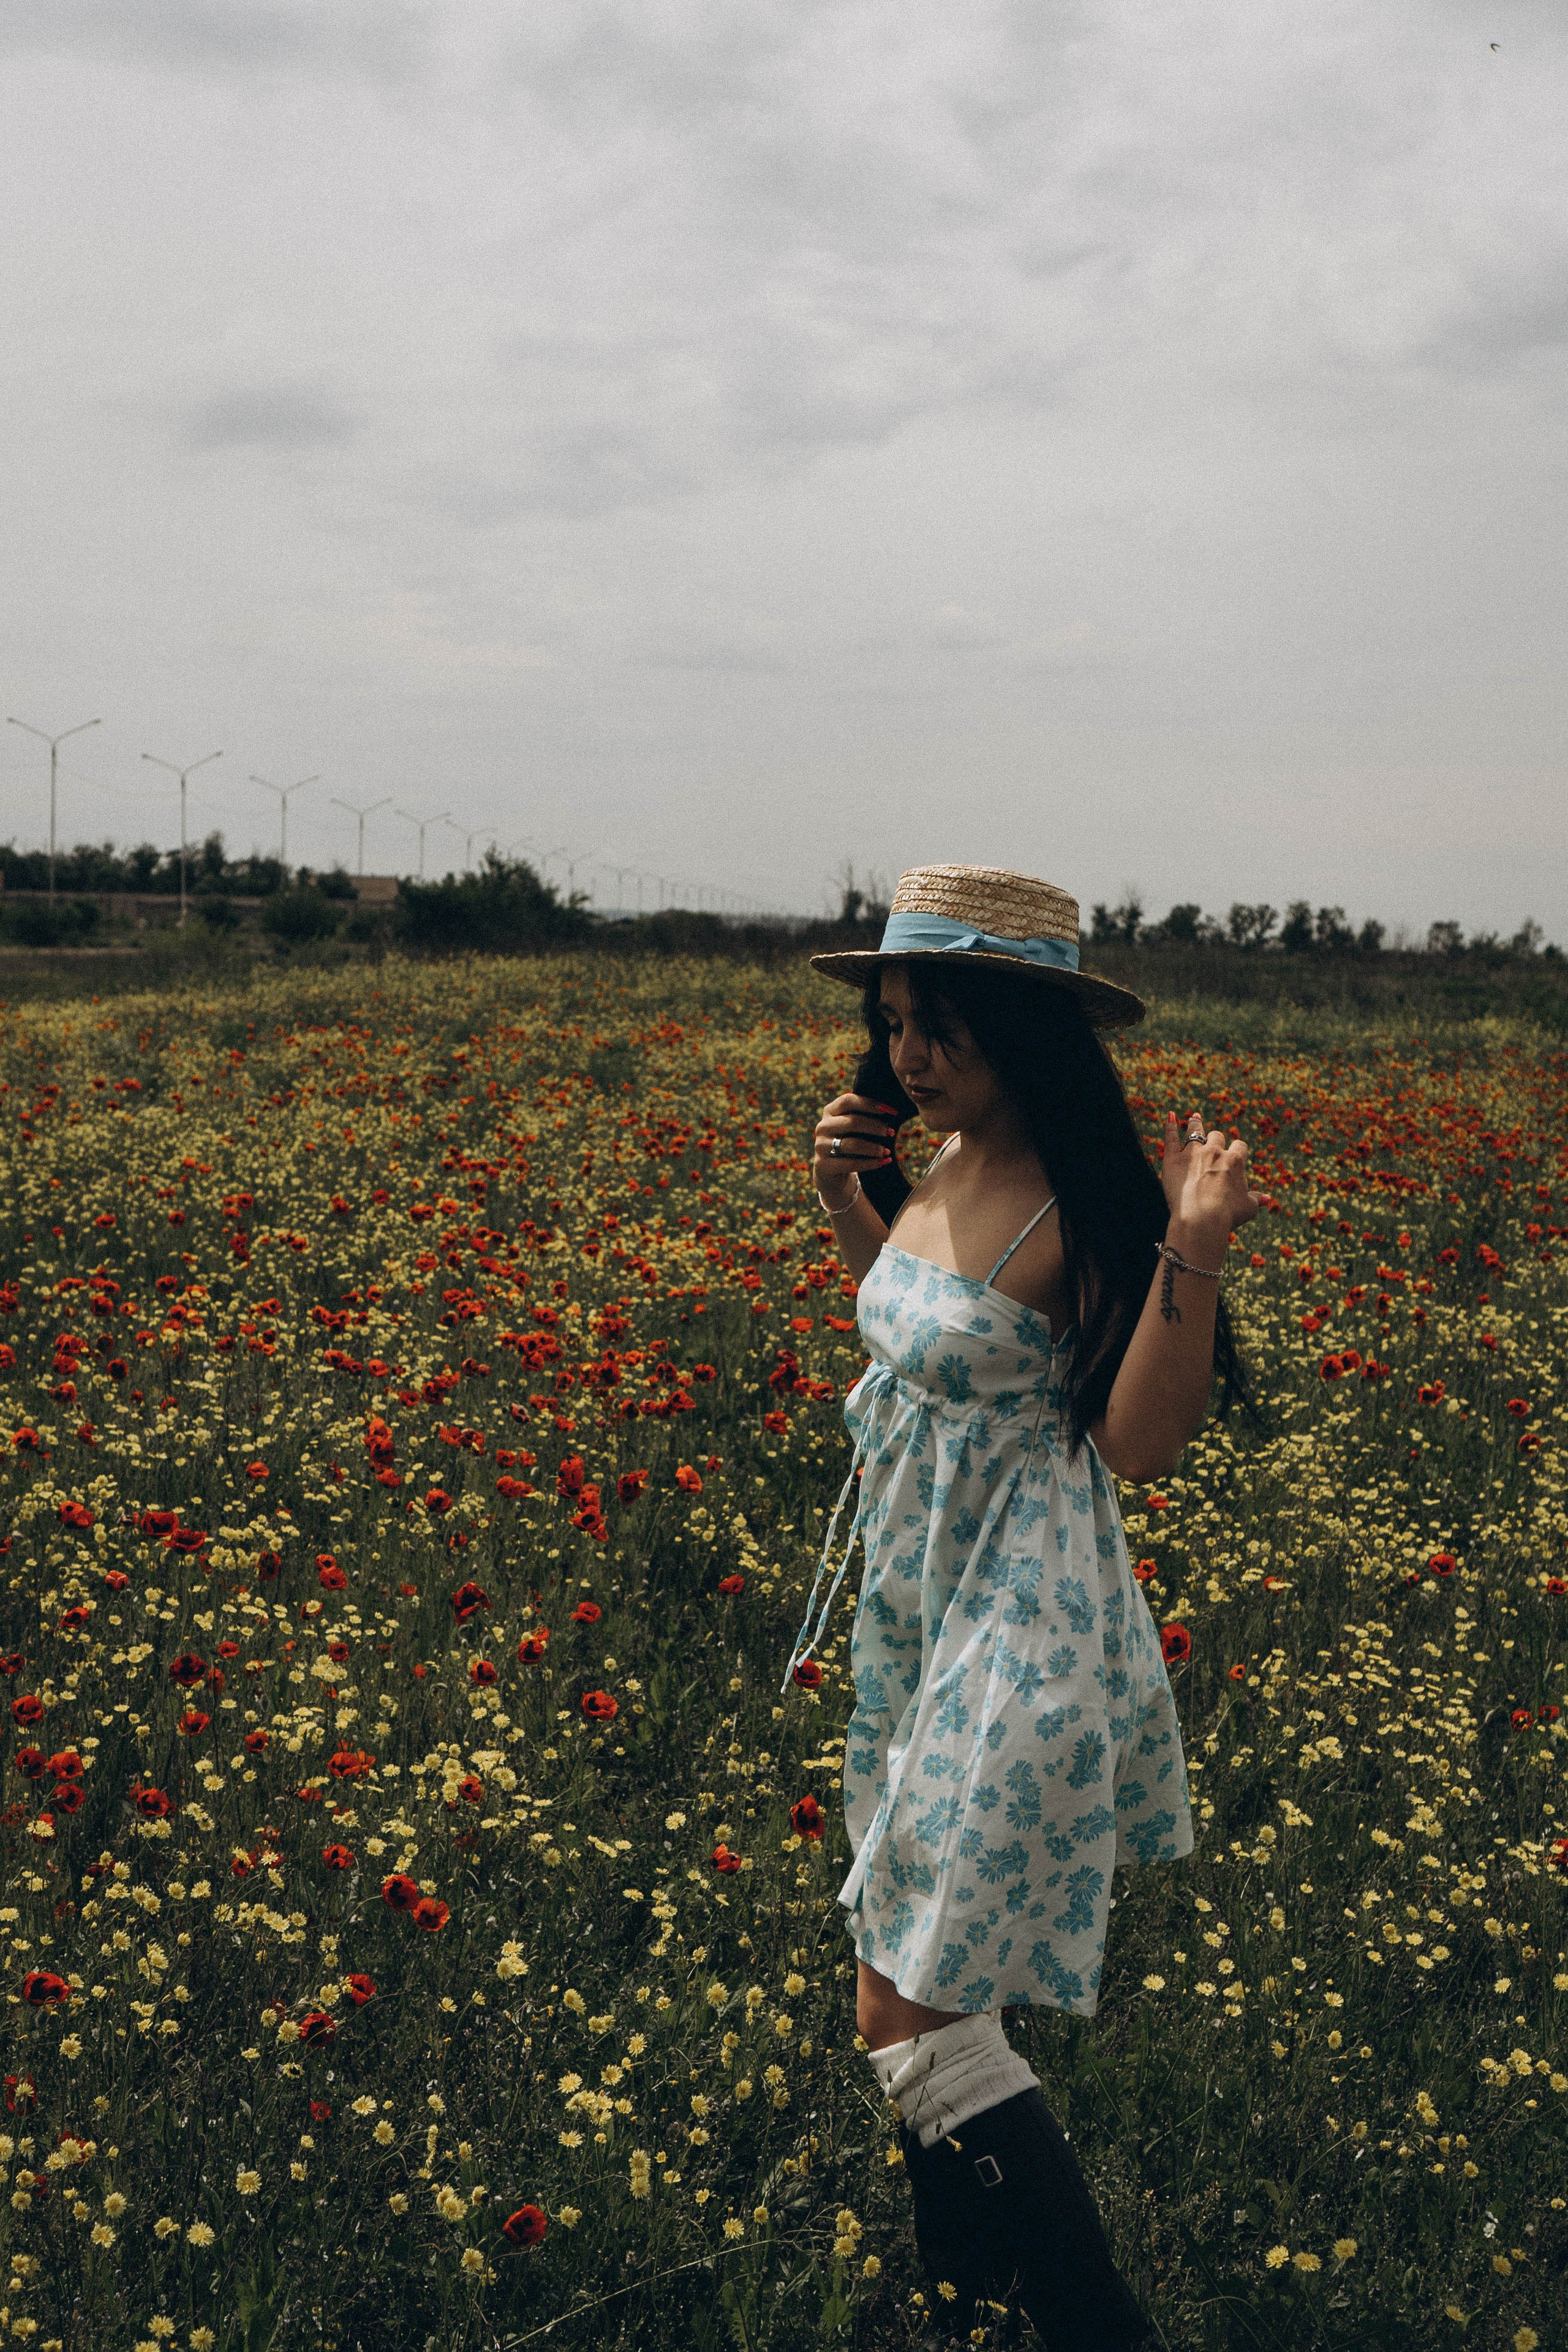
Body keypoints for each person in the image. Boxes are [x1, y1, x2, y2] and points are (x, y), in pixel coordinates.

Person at [789, 863, 1258, 2345]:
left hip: (1022, 1625)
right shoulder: (936, 1163)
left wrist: (1192, 1245)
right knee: (922, 1998)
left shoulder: (1088, 1196)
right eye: (893, 1022)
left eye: (939, 1026)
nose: (908, 1055)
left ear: (1025, 1032)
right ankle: (974, 2313)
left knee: (906, 2008)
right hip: (921, 1618)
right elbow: (916, 1339)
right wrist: (843, 1197)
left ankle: (1092, 2328)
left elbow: (1137, 1443)